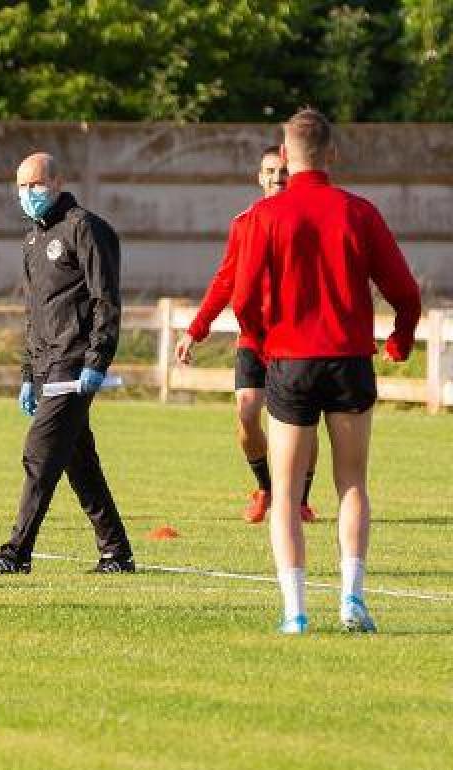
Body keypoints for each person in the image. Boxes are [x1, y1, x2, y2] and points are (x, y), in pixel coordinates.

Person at [232, 108, 421, 634]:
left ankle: (295, 611)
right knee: (352, 483)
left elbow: (243, 297)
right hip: (349, 360)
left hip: (291, 361)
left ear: (284, 155)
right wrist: (401, 337)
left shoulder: (266, 215)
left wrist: (260, 340)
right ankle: (352, 599)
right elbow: (405, 292)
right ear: (331, 155)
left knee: (287, 491)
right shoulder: (359, 212)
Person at [0, 152, 134, 576]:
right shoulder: (32, 241)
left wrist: (97, 361)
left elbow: (106, 301)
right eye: (21, 187)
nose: (28, 194)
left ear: (57, 182)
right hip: (46, 367)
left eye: (36, 185)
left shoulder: (85, 228)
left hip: (75, 363)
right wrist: (28, 374)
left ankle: (16, 553)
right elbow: (34, 314)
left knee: (39, 453)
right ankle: (116, 553)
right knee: (79, 462)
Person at [175, 146, 319, 525]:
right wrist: (194, 330)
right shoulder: (244, 223)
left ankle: (300, 500)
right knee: (247, 412)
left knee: (303, 422)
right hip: (255, 339)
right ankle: (266, 489)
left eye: (283, 171)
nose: (277, 177)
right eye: (270, 171)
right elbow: (226, 280)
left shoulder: (309, 221)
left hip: (298, 339)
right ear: (259, 177)